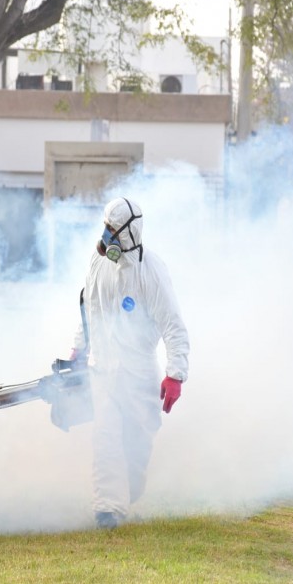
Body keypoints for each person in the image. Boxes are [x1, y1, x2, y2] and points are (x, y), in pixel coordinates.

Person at [69, 197, 190, 529]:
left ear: (128, 231)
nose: (106, 236)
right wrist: (78, 352)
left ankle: (128, 492)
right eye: (105, 227)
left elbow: (173, 325)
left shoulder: (152, 271)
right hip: (104, 369)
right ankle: (107, 510)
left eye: (112, 229)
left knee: (137, 444)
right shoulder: (98, 266)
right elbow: (89, 312)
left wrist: (175, 374)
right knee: (105, 438)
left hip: (139, 374)